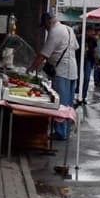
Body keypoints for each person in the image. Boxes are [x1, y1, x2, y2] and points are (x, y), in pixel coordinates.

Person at [28, 11, 78, 150]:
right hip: (72, 70)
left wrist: (31, 68)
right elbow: (75, 48)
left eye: (45, 26)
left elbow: (43, 54)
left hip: (62, 71)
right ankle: (65, 130)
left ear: (48, 22)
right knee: (68, 103)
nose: (45, 29)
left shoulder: (55, 31)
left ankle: (60, 132)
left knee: (60, 103)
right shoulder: (69, 29)